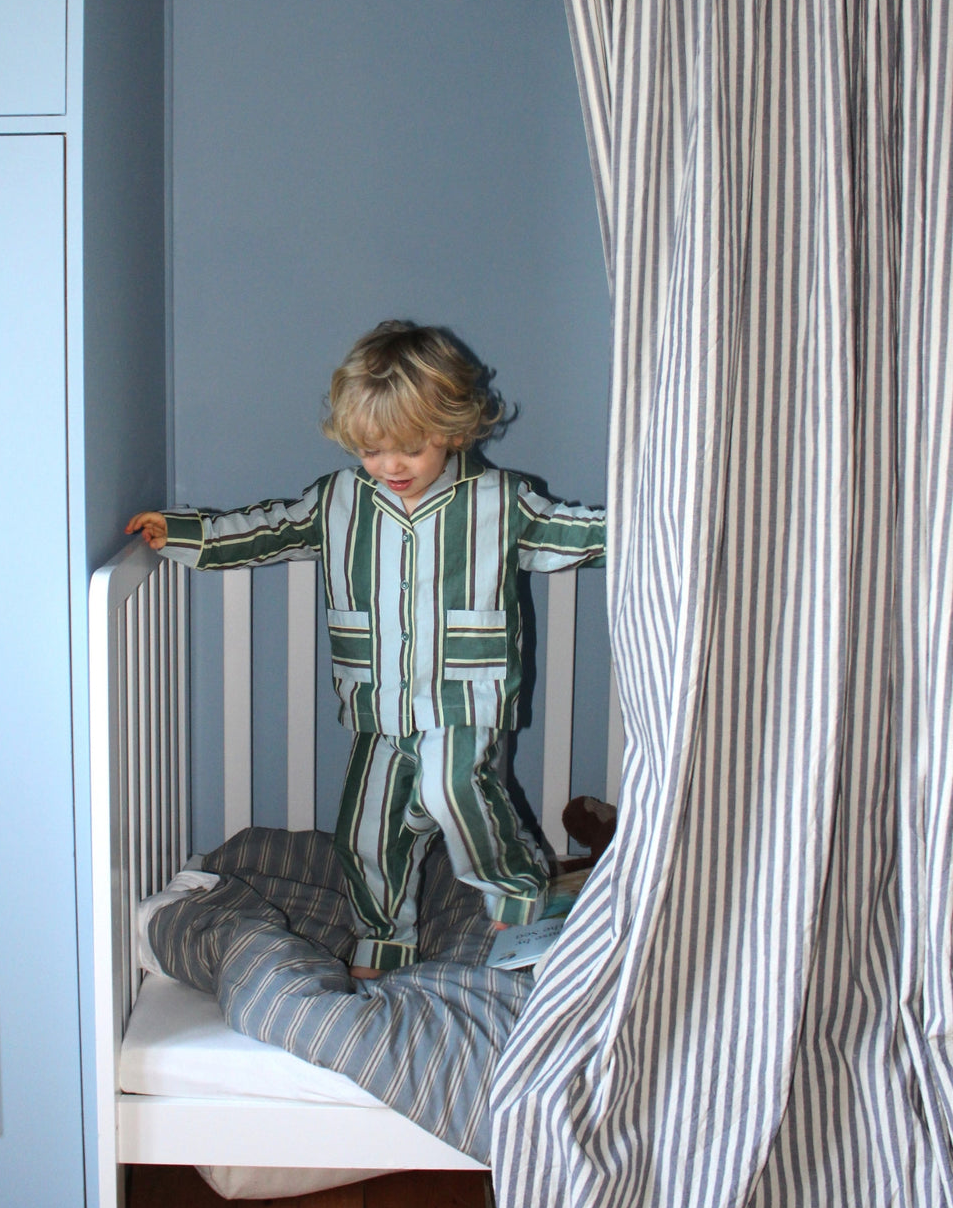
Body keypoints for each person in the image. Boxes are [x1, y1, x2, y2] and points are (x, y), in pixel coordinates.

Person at [127, 320, 606, 978]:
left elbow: (575, 531)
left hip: (463, 700)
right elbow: (269, 528)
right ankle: (382, 941)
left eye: (411, 446)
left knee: (452, 784)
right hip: (378, 708)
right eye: (372, 448)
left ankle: (520, 896)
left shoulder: (500, 501)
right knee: (368, 833)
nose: (391, 466)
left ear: (456, 429)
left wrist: (656, 524)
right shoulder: (342, 500)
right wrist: (186, 534)